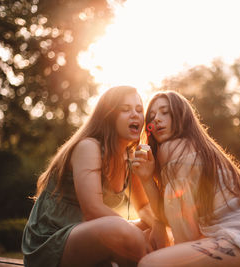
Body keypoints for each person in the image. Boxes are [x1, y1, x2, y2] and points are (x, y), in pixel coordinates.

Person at [132, 91, 240, 267]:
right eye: (151, 116)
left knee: (150, 263)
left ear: (182, 115)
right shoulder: (203, 149)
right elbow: (170, 213)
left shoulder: (172, 149)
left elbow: (186, 235)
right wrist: (147, 179)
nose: (157, 119)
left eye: (165, 112)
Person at [22, 86, 157, 267]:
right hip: (50, 243)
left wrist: (161, 227)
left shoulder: (130, 158)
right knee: (125, 232)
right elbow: (92, 210)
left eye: (139, 110)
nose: (135, 115)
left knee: (150, 230)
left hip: (83, 236)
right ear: (109, 115)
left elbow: (144, 207)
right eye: (125, 109)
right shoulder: (89, 147)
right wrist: (133, 234)